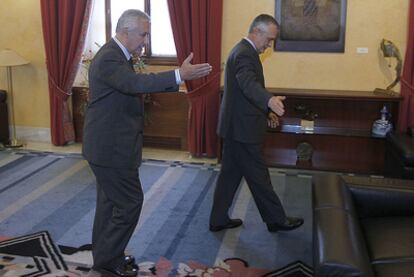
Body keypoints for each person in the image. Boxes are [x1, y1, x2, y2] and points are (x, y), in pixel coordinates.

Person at [82, 9, 212, 277]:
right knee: (130, 203)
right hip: (110, 149)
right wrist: (179, 75)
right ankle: (107, 263)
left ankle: (107, 257)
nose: (145, 40)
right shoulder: (109, 57)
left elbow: (131, 85)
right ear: (125, 31)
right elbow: (133, 83)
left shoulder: (119, 55)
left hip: (109, 146)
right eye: (142, 34)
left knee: (110, 205)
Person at [209, 14, 303, 233]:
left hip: (236, 127)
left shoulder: (243, 51)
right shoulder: (244, 54)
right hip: (242, 130)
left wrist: (266, 110)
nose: (269, 45)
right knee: (259, 177)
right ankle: (276, 219)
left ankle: (218, 219)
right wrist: (269, 100)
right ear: (257, 32)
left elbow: (246, 94)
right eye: (269, 40)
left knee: (229, 176)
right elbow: (248, 83)